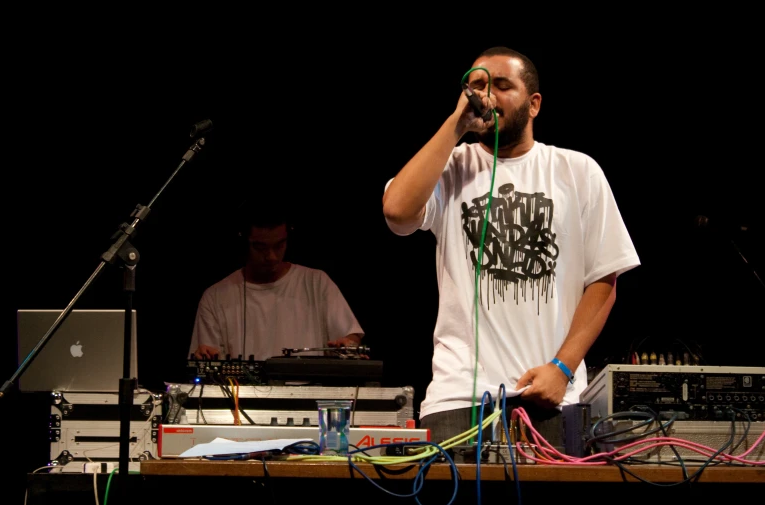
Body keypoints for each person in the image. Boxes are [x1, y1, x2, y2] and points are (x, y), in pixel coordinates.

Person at [381, 46, 640, 447]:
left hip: (552, 395)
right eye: (478, 85)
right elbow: (397, 213)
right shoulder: (452, 166)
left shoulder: (577, 170)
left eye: (503, 86)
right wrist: (455, 124)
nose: (487, 96)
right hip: (458, 399)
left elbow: (604, 280)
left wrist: (562, 368)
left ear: (534, 104)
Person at [188, 203, 364, 363]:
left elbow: (350, 336)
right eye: (261, 248)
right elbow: (208, 365)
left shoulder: (317, 282)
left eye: (279, 245)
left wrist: (349, 344)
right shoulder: (216, 297)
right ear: (243, 243)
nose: (271, 257)